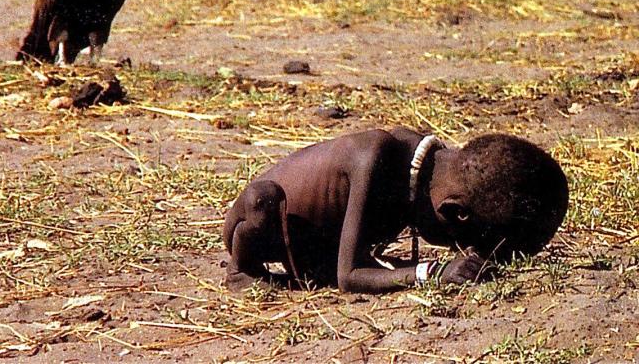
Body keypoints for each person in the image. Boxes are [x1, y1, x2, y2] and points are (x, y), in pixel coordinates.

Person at [222, 127, 568, 293]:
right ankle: (243, 272)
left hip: (317, 246)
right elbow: (348, 277)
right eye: (463, 243)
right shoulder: (375, 159)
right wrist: (430, 272)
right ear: (453, 213)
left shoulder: (426, 168)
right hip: (262, 226)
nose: (462, 251)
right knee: (260, 202)